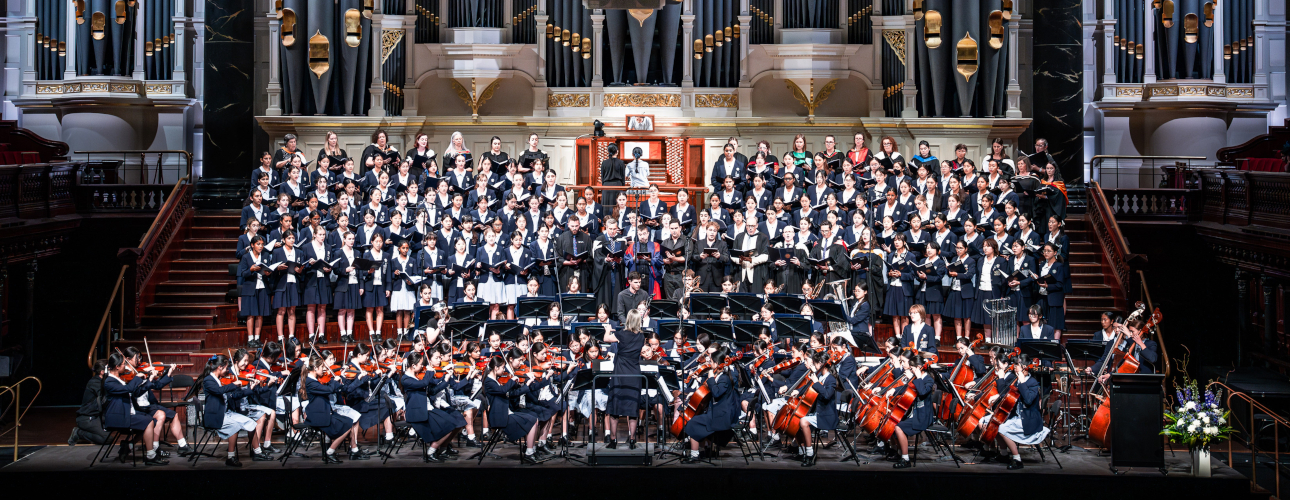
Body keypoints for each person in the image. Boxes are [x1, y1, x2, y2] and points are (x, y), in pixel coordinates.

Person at [990, 352, 1050, 470]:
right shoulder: (1016, 380)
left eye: (1016, 365)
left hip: (1028, 420)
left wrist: (1022, 382)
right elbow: (1005, 395)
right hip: (1017, 417)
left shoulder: (1032, 382)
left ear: (1024, 367)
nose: (1014, 367)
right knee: (995, 424)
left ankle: (1017, 459)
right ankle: (1004, 455)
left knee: (1001, 428)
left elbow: (1028, 400)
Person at [681, 346, 737, 464]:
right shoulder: (720, 377)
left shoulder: (724, 379)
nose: (709, 363)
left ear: (716, 363)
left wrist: (710, 378)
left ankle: (695, 455)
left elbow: (716, 393)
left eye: (711, 362)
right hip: (716, 412)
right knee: (697, 419)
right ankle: (705, 450)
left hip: (721, 417)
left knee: (692, 423)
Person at [888, 348, 933, 469]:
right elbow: (906, 389)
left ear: (919, 368)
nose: (910, 371)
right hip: (915, 414)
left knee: (898, 427)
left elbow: (922, 392)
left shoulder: (928, 380)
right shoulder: (915, 379)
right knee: (893, 423)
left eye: (913, 369)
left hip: (923, 417)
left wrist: (917, 377)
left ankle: (905, 458)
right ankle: (899, 453)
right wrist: (892, 390)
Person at [238, 236, 273, 347]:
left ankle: (257, 338)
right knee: (251, 314)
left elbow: (269, 269)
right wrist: (251, 270)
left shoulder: (266, 255)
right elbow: (242, 273)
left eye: (262, 244)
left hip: (262, 287)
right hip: (250, 288)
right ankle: (250, 339)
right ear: (252, 245)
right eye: (258, 244)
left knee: (260, 314)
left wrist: (268, 273)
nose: (261, 246)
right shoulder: (246, 257)